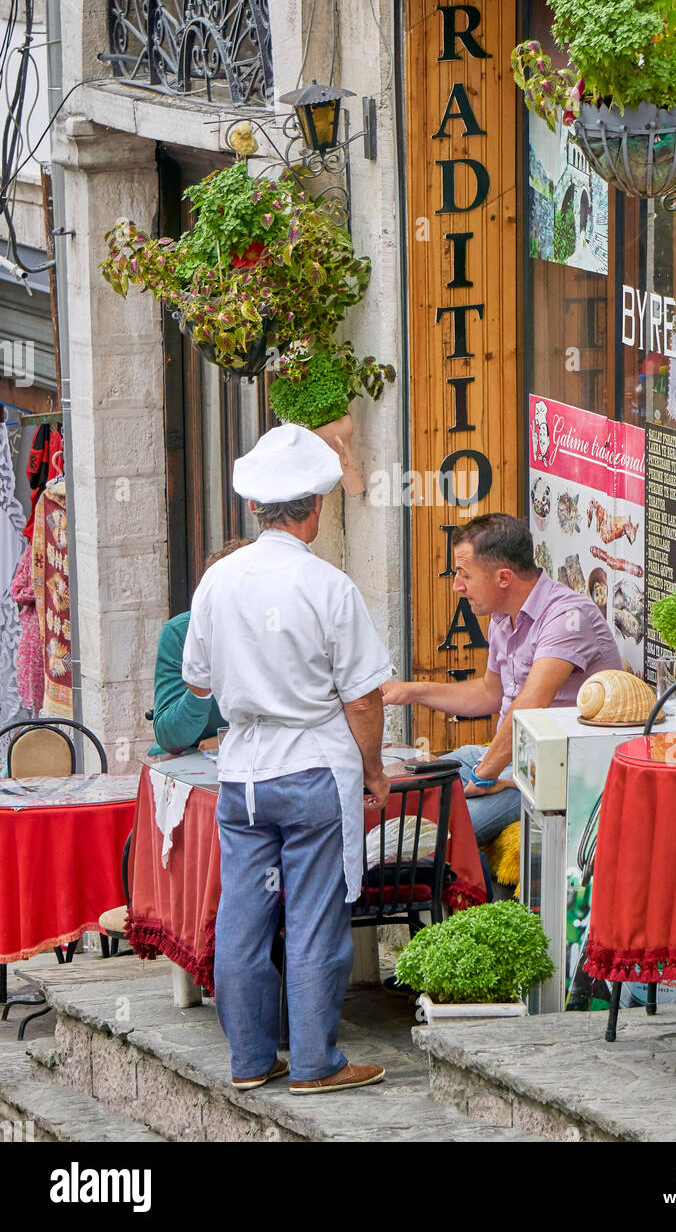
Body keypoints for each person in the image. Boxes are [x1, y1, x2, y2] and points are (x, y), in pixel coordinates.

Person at [182, 424, 394, 1095]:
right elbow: (363, 700)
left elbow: (196, 682)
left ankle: (250, 1059)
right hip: (312, 769)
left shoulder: (218, 580)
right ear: (316, 507)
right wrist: (375, 769)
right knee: (313, 919)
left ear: (253, 508)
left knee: (243, 917)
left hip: (244, 775)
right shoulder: (328, 585)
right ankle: (315, 1063)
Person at [382, 513, 622, 845]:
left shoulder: (567, 617)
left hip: (550, 772)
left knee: (437, 839)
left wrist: (483, 778)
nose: (456, 586)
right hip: (501, 760)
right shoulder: (501, 616)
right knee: (399, 794)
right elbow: (489, 693)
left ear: (504, 577)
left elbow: (529, 707)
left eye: (464, 575)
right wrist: (409, 691)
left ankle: (470, 896)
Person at [149, 539, 251, 757]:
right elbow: (170, 738)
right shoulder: (180, 633)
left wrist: (226, 738)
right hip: (192, 757)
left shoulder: (279, 627)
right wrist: (199, 692)